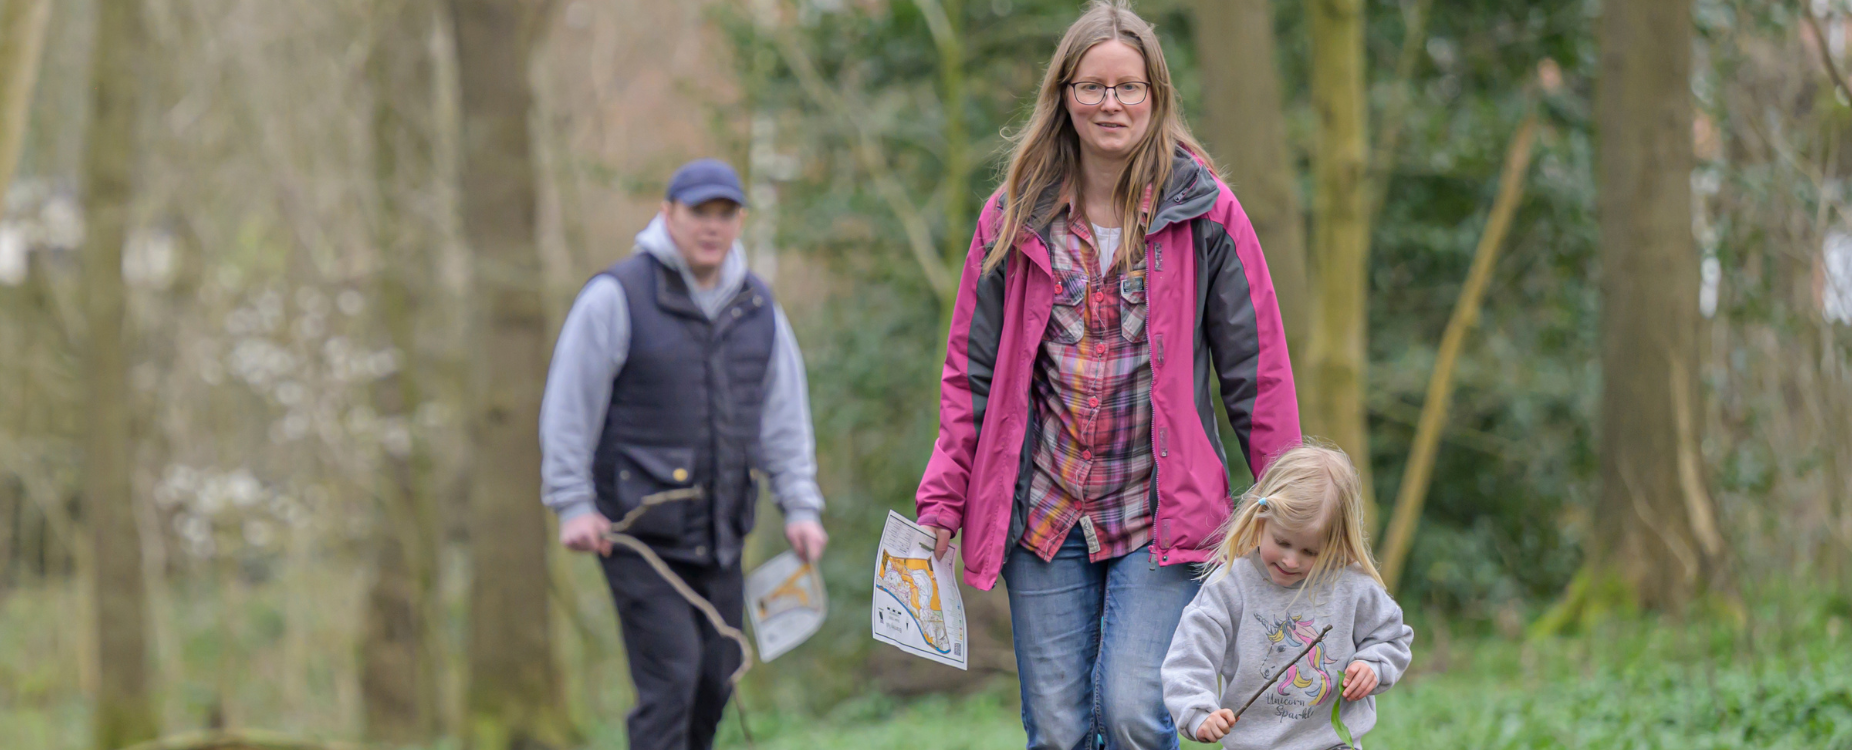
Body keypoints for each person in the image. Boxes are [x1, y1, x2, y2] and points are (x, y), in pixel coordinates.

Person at [912, 2, 1301, 748]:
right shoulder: (1010, 219)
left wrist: (1286, 503)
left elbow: (1259, 372)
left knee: (1130, 711)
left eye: (1128, 88)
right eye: (1092, 87)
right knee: (1057, 730)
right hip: (1044, 512)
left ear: (1155, 97)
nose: (1110, 104)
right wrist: (943, 500)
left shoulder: (1208, 214)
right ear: (1064, 95)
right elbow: (970, 373)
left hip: (1161, 513)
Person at [540, 158, 829, 750]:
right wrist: (572, 504)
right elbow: (569, 405)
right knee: (670, 680)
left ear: (741, 221)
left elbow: (784, 416)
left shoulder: (758, 308)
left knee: (713, 680)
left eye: (725, 214)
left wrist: (800, 506)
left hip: (722, 534)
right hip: (636, 534)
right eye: (699, 212)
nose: (712, 226)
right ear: (668, 214)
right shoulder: (615, 297)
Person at [1161, 443, 1413, 749]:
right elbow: (1189, 658)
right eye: (1282, 542)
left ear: (1336, 543)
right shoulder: (1229, 586)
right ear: (1260, 519)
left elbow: (1392, 638)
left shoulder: (1352, 585)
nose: (1291, 561)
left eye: (1310, 551)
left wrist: (1374, 665)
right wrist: (1198, 712)